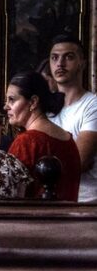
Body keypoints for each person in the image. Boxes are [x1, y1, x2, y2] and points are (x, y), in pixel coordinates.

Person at [5, 70, 81, 200]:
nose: (6, 106)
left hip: (36, 219)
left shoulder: (26, 142)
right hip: (69, 217)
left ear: (33, 102)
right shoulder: (68, 139)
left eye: (12, 100)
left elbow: (10, 193)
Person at [47, 35, 97, 201]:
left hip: (86, 202)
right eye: (55, 58)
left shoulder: (92, 104)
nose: (60, 64)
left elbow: (79, 161)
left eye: (68, 57)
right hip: (52, 200)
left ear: (82, 63)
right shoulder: (46, 109)